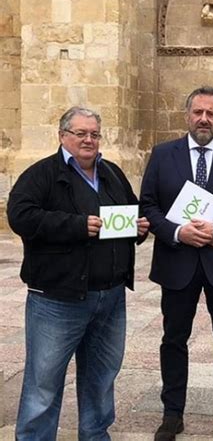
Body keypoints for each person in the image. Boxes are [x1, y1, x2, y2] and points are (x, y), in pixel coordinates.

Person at [7, 106, 150, 441]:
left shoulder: (111, 172)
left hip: (110, 297)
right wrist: (76, 225)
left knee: (102, 377)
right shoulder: (41, 174)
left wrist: (138, 227)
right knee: (44, 383)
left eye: (94, 134)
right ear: (63, 136)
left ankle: (95, 435)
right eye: (80, 133)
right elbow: (20, 216)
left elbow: (130, 211)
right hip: (58, 300)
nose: (89, 140)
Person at [140, 86, 213, 441]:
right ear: (187, 115)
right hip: (177, 263)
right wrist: (177, 233)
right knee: (174, 339)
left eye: (211, 113)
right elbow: (148, 206)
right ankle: (172, 413)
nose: (204, 119)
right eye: (198, 112)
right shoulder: (163, 155)